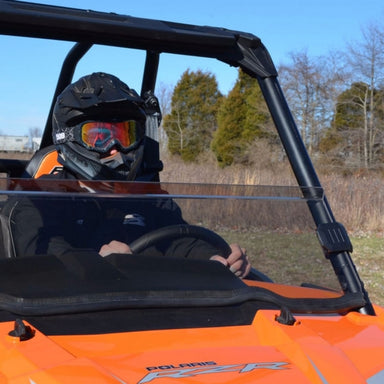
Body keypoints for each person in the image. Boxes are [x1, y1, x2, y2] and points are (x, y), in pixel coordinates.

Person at [8, 72, 251, 278]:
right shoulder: (38, 200)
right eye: (99, 136)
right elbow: (46, 260)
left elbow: (180, 240)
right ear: (67, 137)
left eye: (126, 135)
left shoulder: (148, 198)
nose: (115, 148)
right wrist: (95, 264)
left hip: (154, 317)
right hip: (68, 322)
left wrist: (214, 257)